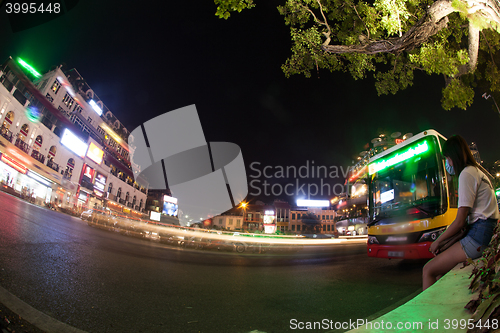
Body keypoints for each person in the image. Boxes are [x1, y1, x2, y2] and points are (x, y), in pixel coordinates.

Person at [423, 135, 500, 290]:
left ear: (454, 156)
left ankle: (429, 314)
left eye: (447, 158)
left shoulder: (467, 174)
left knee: (428, 270)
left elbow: (459, 222)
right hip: (485, 232)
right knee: (440, 272)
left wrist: (437, 242)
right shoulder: (476, 172)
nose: (447, 163)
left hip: (478, 236)